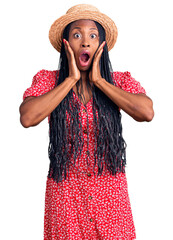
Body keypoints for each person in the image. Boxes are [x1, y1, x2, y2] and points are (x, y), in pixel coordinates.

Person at [19, 4, 154, 240]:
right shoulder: (48, 81)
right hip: (66, 196)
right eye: (77, 35)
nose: (85, 42)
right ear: (66, 44)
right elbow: (28, 117)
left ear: (101, 45)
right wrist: (70, 79)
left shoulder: (119, 82)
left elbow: (147, 112)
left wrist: (100, 81)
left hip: (110, 197)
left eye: (93, 35)